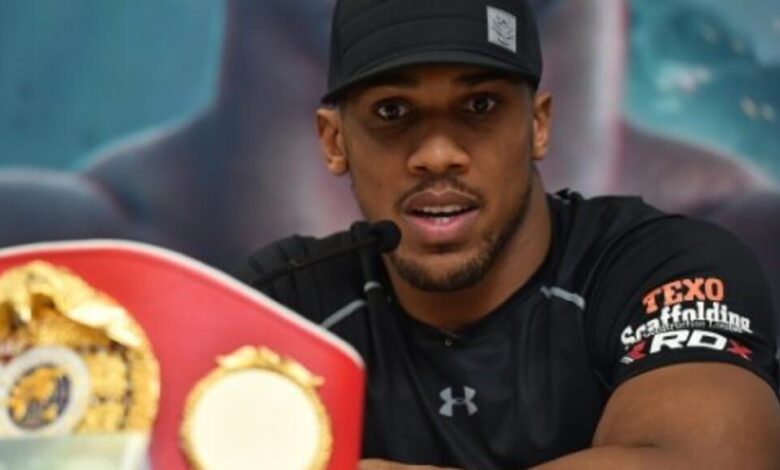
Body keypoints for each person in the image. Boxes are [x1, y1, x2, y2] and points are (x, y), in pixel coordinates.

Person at [238, 0, 780, 468]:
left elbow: (710, 460)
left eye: (480, 106)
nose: (437, 155)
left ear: (538, 125)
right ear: (334, 141)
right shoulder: (283, 298)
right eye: (393, 111)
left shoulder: (666, 267)